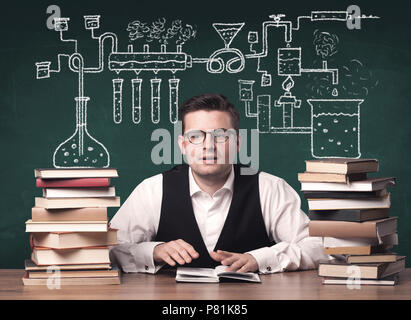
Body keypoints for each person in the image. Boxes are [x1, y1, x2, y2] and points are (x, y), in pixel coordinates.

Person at [109, 93, 326, 274]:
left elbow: (319, 248)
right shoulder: (152, 190)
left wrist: (261, 258)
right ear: (182, 145)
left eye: (221, 135)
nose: (209, 146)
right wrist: (153, 252)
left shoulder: (269, 188)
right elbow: (109, 249)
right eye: (195, 136)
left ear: (238, 142)